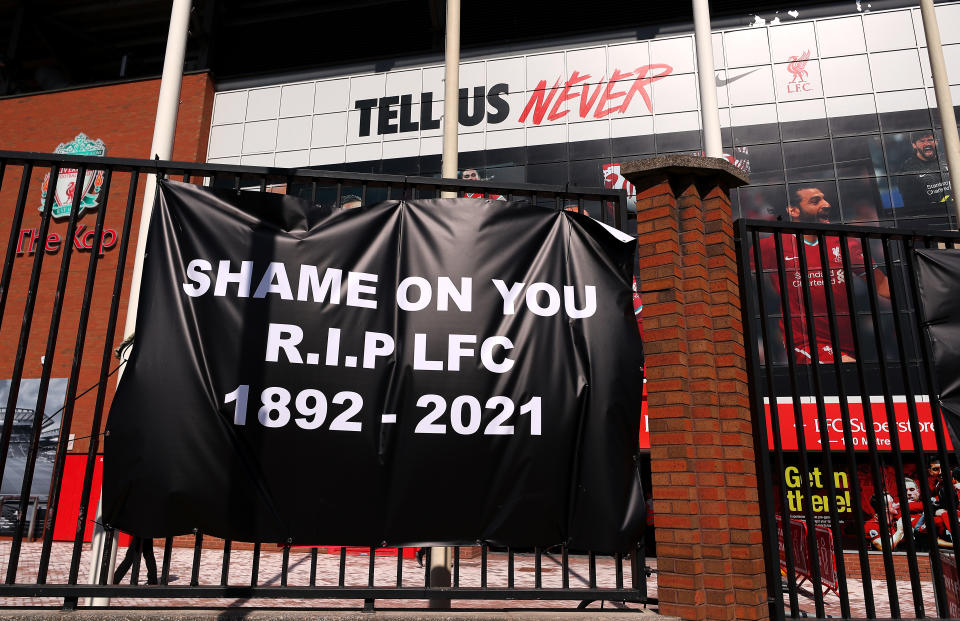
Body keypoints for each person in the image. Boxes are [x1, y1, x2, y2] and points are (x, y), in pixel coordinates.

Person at [755, 185, 890, 363]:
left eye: (824, 199)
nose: (826, 204)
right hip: (805, 342)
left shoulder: (846, 243)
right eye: (815, 201)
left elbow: (882, 286)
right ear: (793, 211)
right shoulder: (771, 246)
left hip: (848, 341)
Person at [896, 130, 953, 220]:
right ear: (914, 145)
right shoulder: (907, 170)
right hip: (933, 218)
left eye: (930, 140)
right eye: (922, 141)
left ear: (937, 142)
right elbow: (911, 206)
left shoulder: (950, 159)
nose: (927, 144)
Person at [903, 476, 952, 549]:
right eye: (905, 490)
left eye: (912, 489)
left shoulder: (929, 504)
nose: (908, 493)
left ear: (918, 491)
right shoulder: (898, 509)